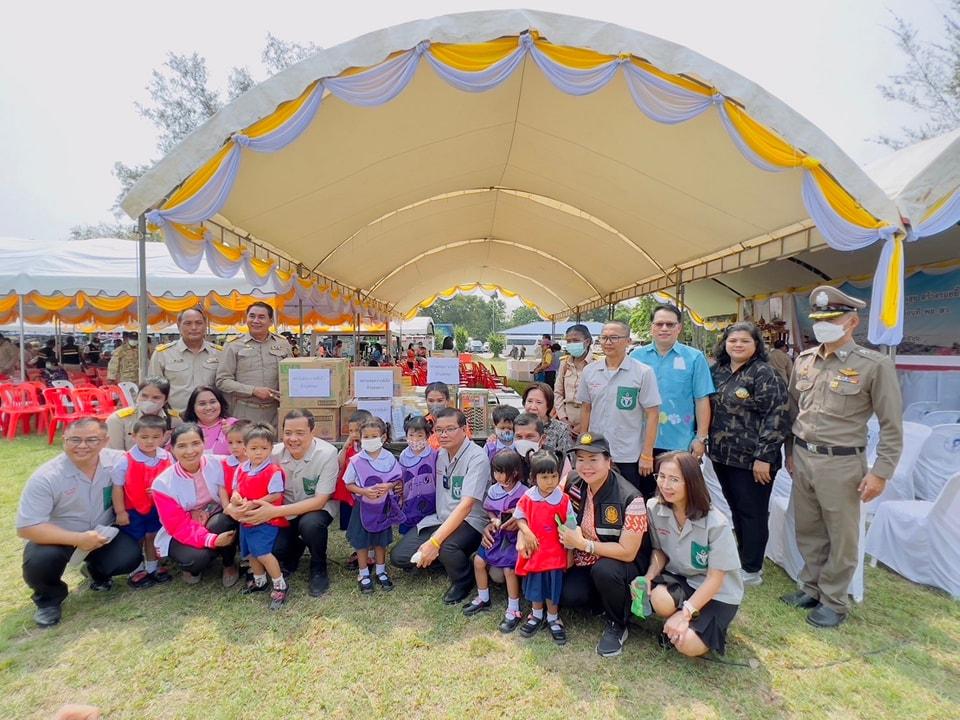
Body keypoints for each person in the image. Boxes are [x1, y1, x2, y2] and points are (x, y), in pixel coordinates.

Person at [781, 286, 903, 628]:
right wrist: (790, 451)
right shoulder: (804, 361)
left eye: (832, 319)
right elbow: (793, 410)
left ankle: (834, 601)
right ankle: (811, 587)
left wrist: (881, 472)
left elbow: (892, 424)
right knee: (809, 529)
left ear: (852, 322)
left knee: (841, 534)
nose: (824, 325)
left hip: (842, 462)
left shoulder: (874, 365)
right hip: (804, 456)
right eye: (819, 319)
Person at [16, 418, 143, 627]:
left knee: (129, 557)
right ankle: (48, 600)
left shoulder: (119, 461)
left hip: (103, 533)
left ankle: (97, 572)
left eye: (92, 440)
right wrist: (78, 539)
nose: (82, 446)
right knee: (40, 559)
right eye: (75, 440)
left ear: (105, 441)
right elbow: (27, 527)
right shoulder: (47, 477)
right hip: (59, 537)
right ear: (64, 439)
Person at [709, 322, 790, 586]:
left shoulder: (765, 373)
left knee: (752, 512)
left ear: (756, 345)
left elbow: (777, 417)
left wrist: (764, 457)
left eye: (745, 341)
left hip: (754, 460)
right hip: (723, 457)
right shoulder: (717, 371)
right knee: (736, 508)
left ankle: (752, 569)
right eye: (733, 340)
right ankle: (743, 557)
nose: (738, 345)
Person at [555, 433, 651, 657]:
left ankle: (618, 623)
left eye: (593, 459)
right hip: (585, 560)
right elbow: (548, 505)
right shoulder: (571, 481)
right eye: (580, 459)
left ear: (609, 461)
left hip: (621, 563)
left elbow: (628, 552)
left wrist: (583, 544)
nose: (586, 466)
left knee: (605, 570)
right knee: (569, 596)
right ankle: (602, 600)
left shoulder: (630, 498)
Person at [644, 452, 743, 657]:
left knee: (688, 645)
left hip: (718, 593)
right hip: (684, 579)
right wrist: (649, 576)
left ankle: (694, 625)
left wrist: (685, 613)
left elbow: (715, 579)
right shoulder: (654, 508)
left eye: (674, 479)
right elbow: (659, 551)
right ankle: (679, 623)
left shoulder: (717, 523)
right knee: (659, 599)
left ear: (691, 482)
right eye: (661, 476)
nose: (665, 485)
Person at [391, 408, 491, 604]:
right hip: (441, 518)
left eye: (450, 429)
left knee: (446, 547)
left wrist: (434, 543)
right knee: (400, 557)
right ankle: (448, 560)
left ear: (464, 429)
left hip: (470, 521)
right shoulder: (441, 454)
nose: (443, 435)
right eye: (439, 430)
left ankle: (464, 580)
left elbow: (466, 506)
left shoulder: (477, 458)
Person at [236, 409, 340, 597]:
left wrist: (272, 512)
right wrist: (238, 507)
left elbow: (320, 501)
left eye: (300, 433)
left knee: (311, 525)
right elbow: (246, 479)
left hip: (315, 509)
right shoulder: (272, 452)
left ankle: (318, 566)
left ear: (312, 431)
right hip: (284, 512)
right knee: (273, 550)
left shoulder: (327, 453)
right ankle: (295, 548)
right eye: (288, 433)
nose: (293, 439)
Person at [629, 304, 715, 494]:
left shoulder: (694, 358)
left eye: (670, 324)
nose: (664, 328)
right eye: (659, 324)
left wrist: (701, 438)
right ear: (651, 327)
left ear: (679, 327)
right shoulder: (635, 357)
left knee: (674, 496)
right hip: (640, 442)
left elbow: (702, 400)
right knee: (641, 498)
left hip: (679, 443)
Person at [578, 320, 662, 497]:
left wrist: (647, 454)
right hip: (596, 451)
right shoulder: (590, 371)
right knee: (596, 499)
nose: (608, 342)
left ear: (628, 341)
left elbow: (653, 414)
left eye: (614, 338)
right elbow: (586, 409)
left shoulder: (643, 372)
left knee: (628, 500)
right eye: (604, 338)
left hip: (628, 454)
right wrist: (582, 445)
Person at [152, 424, 238, 585]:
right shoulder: (162, 483)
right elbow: (176, 524)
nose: (190, 451)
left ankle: (228, 564)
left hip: (215, 519)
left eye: (195, 443)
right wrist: (211, 540)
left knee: (223, 521)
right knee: (195, 559)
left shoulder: (221, 463)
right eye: (182, 446)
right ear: (172, 449)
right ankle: (197, 564)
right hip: (184, 529)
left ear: (204, 443)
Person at [514, 451, 574, 645]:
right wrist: (526, 532)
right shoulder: (528, 497)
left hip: (555, 552)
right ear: (534, 478)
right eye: (544, 477)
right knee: (536, 585)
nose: (550, 482)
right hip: (536, 552)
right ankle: (536, 614)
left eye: (554, 476)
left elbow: (571, 525)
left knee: (553, 585)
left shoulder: (563, 499)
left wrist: (570, 551)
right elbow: (519, 517)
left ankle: (553, 617)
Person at [462, 450, 526, 631]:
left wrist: (517, 517)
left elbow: (529, 513)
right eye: (495, 471)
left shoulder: (523, 492)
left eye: (501, 471)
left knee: (509, 569)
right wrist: (493, 519)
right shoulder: (494, 490)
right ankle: (483, 597)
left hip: (514, 538)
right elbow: (489, 508)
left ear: (514, 472)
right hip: (497, 534)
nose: (497, 476)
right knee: (479, 561)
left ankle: (513, 608)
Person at [228, 423, 289, 609]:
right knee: (250, 552)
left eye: (264, 448)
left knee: (263, 553)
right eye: (254, 448)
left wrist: (254, 503)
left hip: (265, 519)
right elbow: (235, 490)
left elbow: (275, 494)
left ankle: (280, 584)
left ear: (271, 449)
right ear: (245, 449)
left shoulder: (273, 471)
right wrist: (236, 498)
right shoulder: (241, 469)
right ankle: (259, 580)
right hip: (246, 519)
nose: (259, 453)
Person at [110, 414, 173, 589]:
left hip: (156, 507)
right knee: (135, 538)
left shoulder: (167, 457)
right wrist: (120, 512)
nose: (150, 441)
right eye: (144, 437)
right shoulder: (125, 460)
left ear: (164, 436)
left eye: (155, 437)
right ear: (134, 436)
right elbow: (117, 488)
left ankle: (153, 566)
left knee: (152, 535)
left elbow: (171, 480)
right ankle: (136, 569)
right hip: (132, 509)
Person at [344, 417, 402, 594]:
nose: (370, 440)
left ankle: (381, 570)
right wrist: (363, 491)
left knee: (380, 540)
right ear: (361, 438)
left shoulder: (389, 458)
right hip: (363, 507)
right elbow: (348, 483)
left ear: (383, 437)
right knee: (362, 541)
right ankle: (363, 573)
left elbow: (396, 478)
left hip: (382, 507)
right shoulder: (356, 460)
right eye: (366, 437)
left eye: (374, 436)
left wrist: (389, 486)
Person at [216, 301, 291, 425]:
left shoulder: (282, 344)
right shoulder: (233, 345)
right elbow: (222, 381)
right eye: (252, 316)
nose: (256, 321)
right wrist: (253, 390)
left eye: (261, 317)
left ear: (270, 321)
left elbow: (291, 375)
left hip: (275, 412)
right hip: (245, 411)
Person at [148, 307, 223, 413]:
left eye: (199, 323)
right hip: (176, 418)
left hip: (210, 416)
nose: (194, 327)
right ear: (179, 326)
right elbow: (153, 390)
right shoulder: (163, 354)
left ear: (205, 325)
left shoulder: (220, 353)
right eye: (188, 323)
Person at [106, 377, 179, 451]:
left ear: (165, 400)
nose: (148, 401)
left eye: (156, 398)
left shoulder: (174, 420)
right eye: (144, 396)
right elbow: (114, 454)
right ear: (137, 395)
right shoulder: (117, 420)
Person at [398, 414, 438, 531]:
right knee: (408, 530)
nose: (415, 439)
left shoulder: (434, 454)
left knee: (428, 529)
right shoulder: (404, 455)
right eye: (411, 435)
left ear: (427, 436)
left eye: (420, 435)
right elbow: (401, 478)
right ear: (406, 436)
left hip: (430, 500)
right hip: (409, 499)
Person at [554, 324, 592, 438]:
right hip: (566, 418)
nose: (571, 344)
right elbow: (558, 392)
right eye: (568, 341)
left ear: (587, 342)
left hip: (590, 420)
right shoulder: (565, 363)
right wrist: (563, 418)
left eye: (575, 340)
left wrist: (583, 425)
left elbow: (600, 399)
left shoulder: (597, 364)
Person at [182, 385, 236, 455]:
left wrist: (232, 435)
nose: (208, 408)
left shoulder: (234, 425)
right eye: (202, 404)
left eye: (213, 402)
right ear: (193, 407)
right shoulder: (185, 429)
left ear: (220, 403)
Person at [521, 382, 572, 455]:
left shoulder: (561, 429)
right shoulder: (517, 425)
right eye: (529, 401)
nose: (533, 407)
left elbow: (567, 458)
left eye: (538, 402)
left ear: (548, 406)